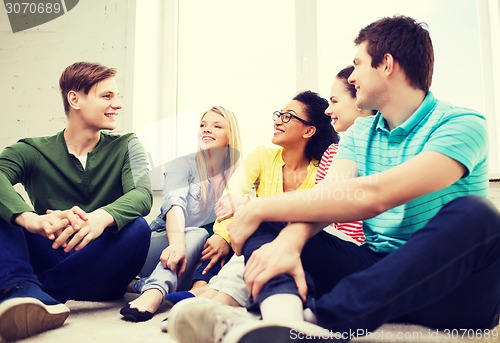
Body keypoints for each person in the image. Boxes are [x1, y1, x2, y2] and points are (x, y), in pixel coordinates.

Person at [166, 15, 500, 343]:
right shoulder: (361, 132)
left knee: (478, 214)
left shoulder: (463, 124)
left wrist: (260, 205)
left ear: (386, 64)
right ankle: (286, 323)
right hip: (376, 272)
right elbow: (329, 196)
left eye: (357, 64)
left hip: (455, 292)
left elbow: (377, 195)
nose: (352, 76)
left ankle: (320, 320)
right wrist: (287, 238)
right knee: (269, 222)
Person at [0, 61, 153, 341]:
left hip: (104, 270)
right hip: (52, 252)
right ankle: (23, 289)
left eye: (117, 97)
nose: (117, 104)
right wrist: (31, 218)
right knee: (5, 208)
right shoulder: (31, 149)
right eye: (107, 96)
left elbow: (142, 194)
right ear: (75, 99)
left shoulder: (128, 144)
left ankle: (35, 291)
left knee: (139, 228)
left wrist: (100, 217)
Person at [163, 90, 338, 315]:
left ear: (309, 130)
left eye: (288, 116)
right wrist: (224, 237)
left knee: (260, 233)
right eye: (279, 114)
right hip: (256, 239)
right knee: (237, 237)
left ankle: (207, 298)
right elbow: (230, 196)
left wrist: (246, 204)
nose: (278, 120)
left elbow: (313, 214)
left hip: (299, 243)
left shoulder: (322, 169)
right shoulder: (263, 156)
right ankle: (208, 295)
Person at [119, 106, 242, 322]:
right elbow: (174, 206)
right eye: (203, 125)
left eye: (216, 126)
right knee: (197, 233)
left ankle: (143, 283)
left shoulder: (239, 175)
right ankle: (154, 291)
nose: (206, 130)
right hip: (159, 246)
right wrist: (177, 244)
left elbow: (244, 214)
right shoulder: (182, 165)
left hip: (196, 255)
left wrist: (225, 239)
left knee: (233, 246)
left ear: (231, 136)